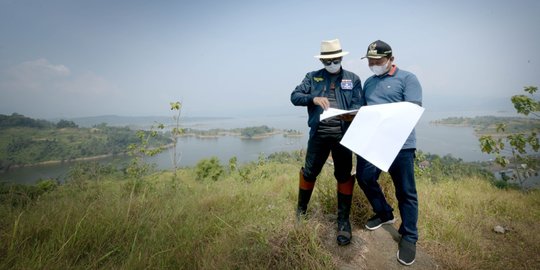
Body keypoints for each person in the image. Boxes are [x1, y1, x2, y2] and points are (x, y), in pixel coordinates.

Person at [356, 40, 422, 265]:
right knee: (364, 178)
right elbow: (365, 111)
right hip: (374, 142)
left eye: (378, 61)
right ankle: (384, 213)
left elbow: (411, 110)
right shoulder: (369, 83)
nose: (374, 64)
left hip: (401, 144)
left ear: (391, 59)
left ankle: (409, 236)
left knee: (406, 191)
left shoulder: (408, 79)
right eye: (370, 61)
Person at [291, 38, 362, 246]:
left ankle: (343, 222)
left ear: (341, 57)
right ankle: (300, 213)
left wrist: (351, 114)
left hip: (343, 137)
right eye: (327, 61)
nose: (331, 63)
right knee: (310, 172)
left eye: (335, 59)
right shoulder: (312, 78)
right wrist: (312, 99)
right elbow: (294, 96)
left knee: (343, 176)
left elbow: (359, 104)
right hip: (318, 136)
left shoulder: (353, 79)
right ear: (322, 61)